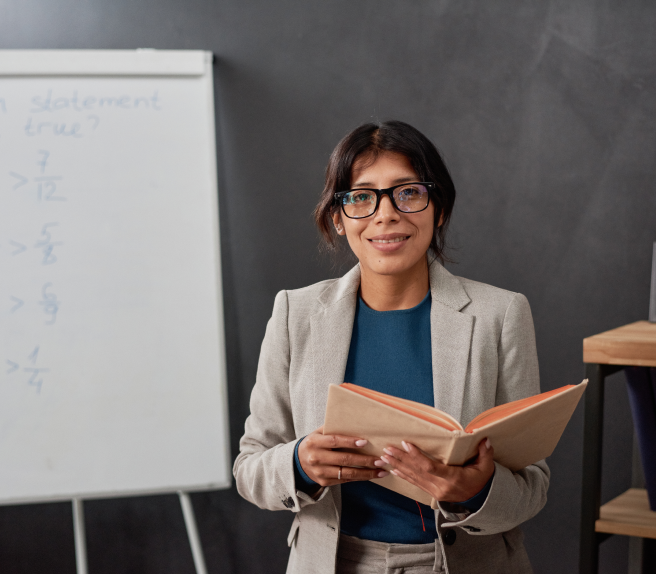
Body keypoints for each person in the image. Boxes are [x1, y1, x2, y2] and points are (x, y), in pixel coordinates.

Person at [233, 121, 548, 574]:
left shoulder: (501, 315)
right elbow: (251, 470)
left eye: (408, 192)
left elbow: (532, 487)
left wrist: (473, 491)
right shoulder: (294, 314)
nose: (386, 214)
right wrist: (300, 463)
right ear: (338, 218)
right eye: (361, 197)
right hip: (332, 562)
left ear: (438, 209)